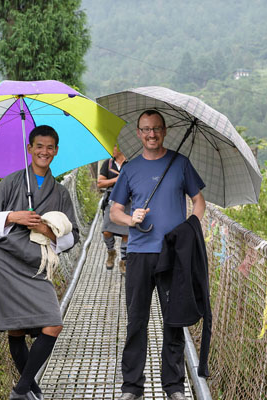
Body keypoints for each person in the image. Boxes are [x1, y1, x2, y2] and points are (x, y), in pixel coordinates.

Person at [0, 125, 80, 400]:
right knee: (17, 327)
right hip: (8, 263)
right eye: (39, 146)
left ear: (56, 151)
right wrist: (14, 217)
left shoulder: (60, 193)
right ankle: (31, 390)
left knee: (53, 323)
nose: (44, 151)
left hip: (38, 266)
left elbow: (74, 237)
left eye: (50, 147)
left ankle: (20, 390)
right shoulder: (10, 183)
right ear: (30, 149)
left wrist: (49, 231)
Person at [110, 110, 206, 400]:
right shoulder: (129, 169)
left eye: (157, 129)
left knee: (173, 321)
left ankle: (174, 386)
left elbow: (199, 201)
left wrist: (191, 228)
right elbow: (115, 211)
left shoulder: (181, 164)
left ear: (165, 131)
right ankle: (132, 387)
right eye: (146, 129)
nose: (151, 134)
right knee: (136, 320)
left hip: (173, 254)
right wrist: (131, 220)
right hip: (139, 253)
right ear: (139, 133)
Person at [97, 145, 129, 273]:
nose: (111, 150)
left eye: (113, 147)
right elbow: (100, 183)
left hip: (128, 201)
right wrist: (117, 179)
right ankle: (111, 252)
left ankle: (124, 260)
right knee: (106, 230)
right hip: (112, 200)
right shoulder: (108, 163)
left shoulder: (131, 163)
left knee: (126, 232)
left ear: (120, 147)